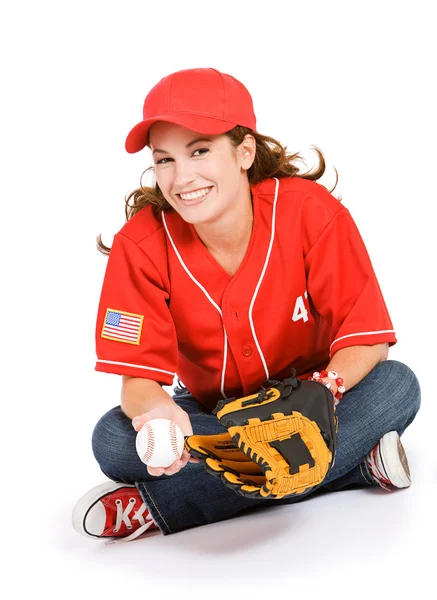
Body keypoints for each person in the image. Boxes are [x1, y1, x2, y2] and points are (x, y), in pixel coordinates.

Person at [72, 67, 421, 543]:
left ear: (244, 151)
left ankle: (163, 507)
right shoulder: (142, 245)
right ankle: (355, 470)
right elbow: (138, 380)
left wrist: (326, 388)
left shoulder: (309, 212)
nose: (182, 177)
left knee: (398, 386)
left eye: (199, 151)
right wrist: (157, 412)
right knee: (113, 441)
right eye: (165, 159)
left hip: (313, 404)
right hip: (216, 414)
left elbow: (369, 338)